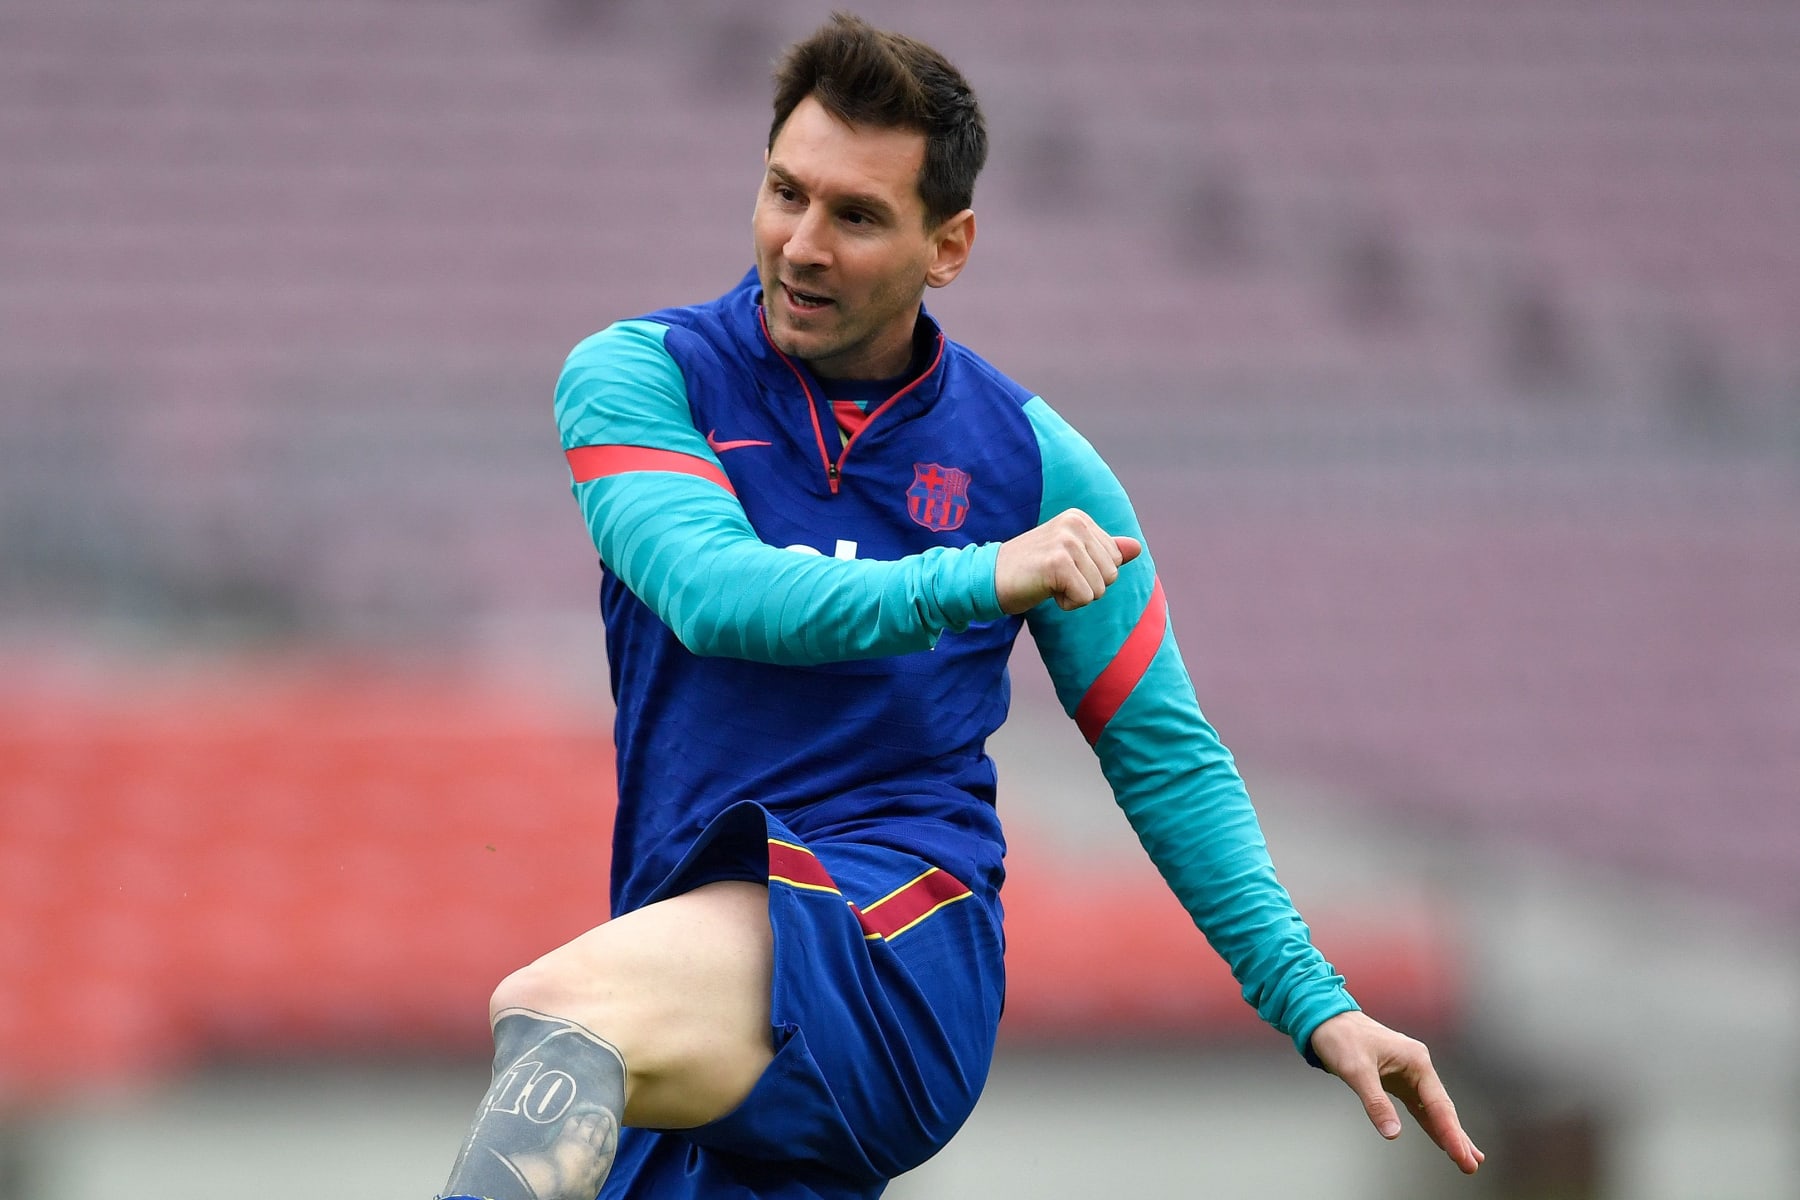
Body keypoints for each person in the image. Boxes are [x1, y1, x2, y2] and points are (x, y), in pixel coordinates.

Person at [440, 12, 1484, 1199]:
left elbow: (1164, 752)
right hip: (702, 976)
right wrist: (979, 574)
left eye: (858, 216)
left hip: (902, 943)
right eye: (787, 193)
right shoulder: (639, 378)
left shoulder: (1034, 466)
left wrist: (1314, 1000)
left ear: (951, 246)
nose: (804, 246)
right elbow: (714, 594)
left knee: (550, 1011)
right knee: (582, 1052)